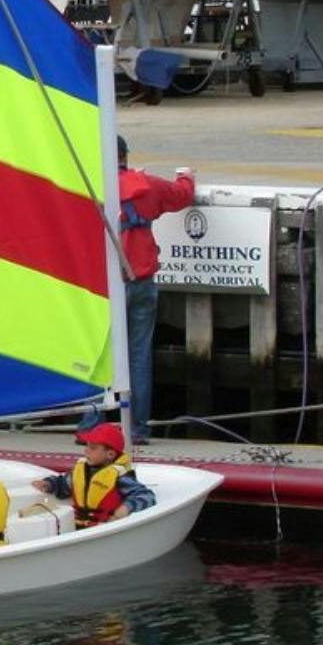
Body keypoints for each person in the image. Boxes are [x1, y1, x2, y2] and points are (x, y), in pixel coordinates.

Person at [83, 136, 195, 446]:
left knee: (98, 354)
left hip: (105, 286)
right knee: (138, 356)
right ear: (124, 156)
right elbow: (182, 195)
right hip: (141, 281)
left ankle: (90, 425)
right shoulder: (148, 186)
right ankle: (137, 428)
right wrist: (186, 176)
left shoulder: (89, 188)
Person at [32, 422, 156, 526]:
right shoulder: (81, 470)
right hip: (79, 526)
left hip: (106, 528)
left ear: (110, 454)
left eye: (93, 448)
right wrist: (48, 484)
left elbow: (146, 495)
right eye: (87, 446)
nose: (86, 450)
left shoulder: (119, 477)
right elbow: (63, 484)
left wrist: (125, 509)